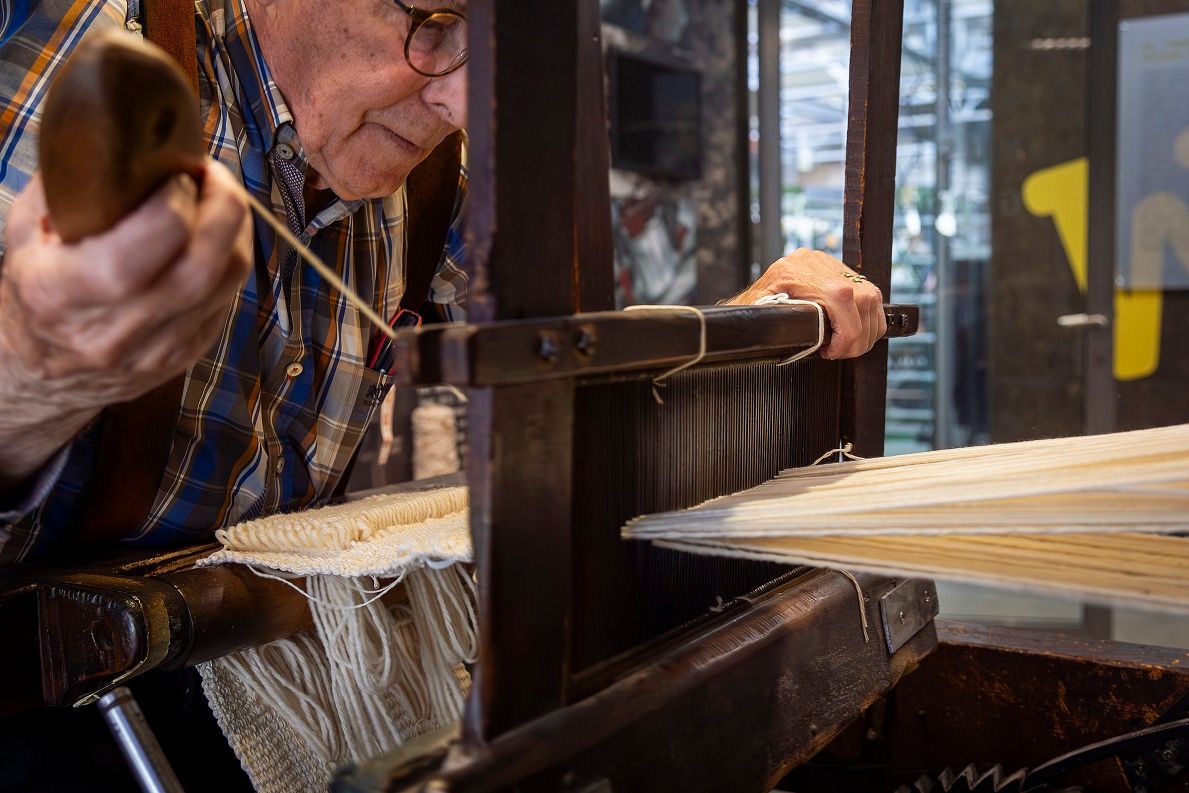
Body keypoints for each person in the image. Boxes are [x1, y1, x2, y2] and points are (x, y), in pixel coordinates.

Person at [0, 0, 886, 564]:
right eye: (435, 25)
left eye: (490, 51)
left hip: (260, 671)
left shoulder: (427, 186)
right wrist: (36, 371)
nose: (461, 105)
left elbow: (562, 403)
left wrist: (750, 326)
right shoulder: (67, 57)